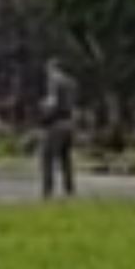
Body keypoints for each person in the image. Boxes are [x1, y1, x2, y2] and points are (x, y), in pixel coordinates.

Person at [39, 58, 77, 199]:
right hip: (70, 123)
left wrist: (44, 114)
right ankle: (70, 190)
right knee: (66, 158)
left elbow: (53, 104)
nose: (47, 73)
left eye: (48, 69)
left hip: (56, 125)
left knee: (47, 157)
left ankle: (47, 191)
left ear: (54, 69)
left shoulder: (55, 83)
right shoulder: (72, 83)